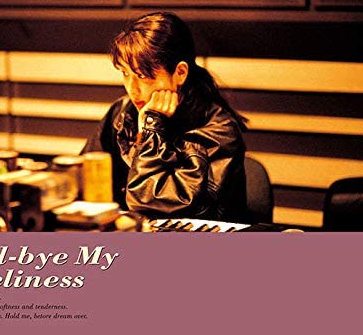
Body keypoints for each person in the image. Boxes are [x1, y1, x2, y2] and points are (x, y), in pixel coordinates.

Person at [82, 12, 248, 222]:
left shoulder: (219, 131)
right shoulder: (123, 112)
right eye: (125, 74)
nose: (132, 89)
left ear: (180, 73)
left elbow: (152, 206)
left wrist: (150, 130)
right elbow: (82, 179)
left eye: (143, 76)